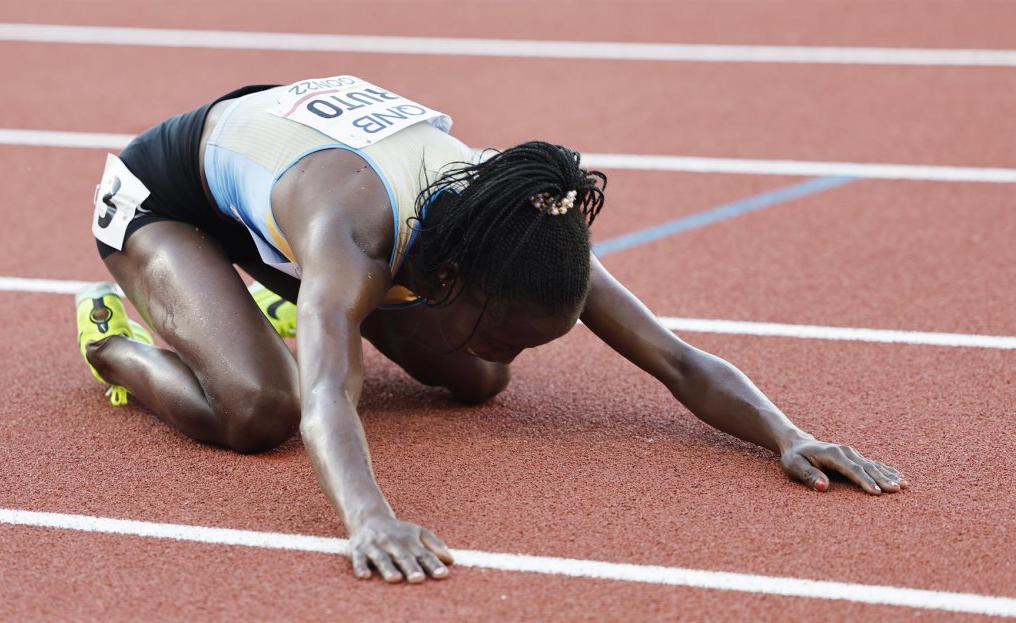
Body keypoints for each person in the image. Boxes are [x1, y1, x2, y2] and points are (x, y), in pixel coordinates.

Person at [75, 74, 907, 584]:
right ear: (449, 279)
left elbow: (678, 360)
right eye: (502, 329)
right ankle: (114, 334)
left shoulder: (517, 232)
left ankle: (259, 302)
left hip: (281, 194)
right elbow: (331, 392)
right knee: (265, 409)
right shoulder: (353, 235)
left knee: (475, 383)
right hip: (167, 199)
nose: (511, 354)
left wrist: (787, 435)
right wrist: (370, 517)